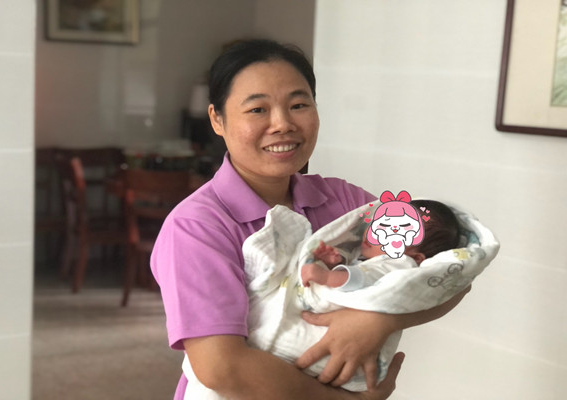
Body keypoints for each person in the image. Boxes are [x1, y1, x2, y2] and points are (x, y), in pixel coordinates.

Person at [150, 39, 470, 400]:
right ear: (217, 119)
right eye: (257, 109)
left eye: (298, 105)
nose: (282, 124)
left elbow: (454, 271)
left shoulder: (345, 203)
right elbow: (222, 368)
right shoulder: (196, 227)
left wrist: (380, 320)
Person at [302, 199, 461, 290]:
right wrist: (335, 264)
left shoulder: (401, 265)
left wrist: (326, 277)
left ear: (415, 257)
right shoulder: (370, 255)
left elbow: (364, 278)